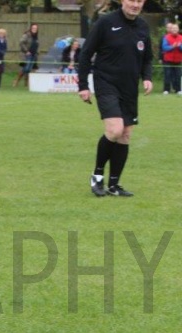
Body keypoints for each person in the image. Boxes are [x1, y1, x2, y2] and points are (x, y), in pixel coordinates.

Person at [78, 0, 153, 197]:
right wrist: (83, 86)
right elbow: (86, 53)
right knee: (115, 130)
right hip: (106, 84)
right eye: (132, 0)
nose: (135, 4)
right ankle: (97, 176)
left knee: (125, 135)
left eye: (139, 1)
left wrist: (147, 78)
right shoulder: (106, 22)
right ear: (122, 1)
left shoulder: (143, 26)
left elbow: (147, 58)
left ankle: (114, 185)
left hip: (129, 88)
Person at [161, 23, 182, 95]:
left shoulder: (181, 37)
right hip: (168, 60)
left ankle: (178, 90)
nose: (174, 30)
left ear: (178, 29)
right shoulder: (166, 37)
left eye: (176, 28)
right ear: (171, 29)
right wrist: (172, 47)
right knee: (167, 75)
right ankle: (166, 90)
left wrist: (179, 46)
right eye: (173, 28)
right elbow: (164, 47)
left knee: (178, 75)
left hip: (178, 60)